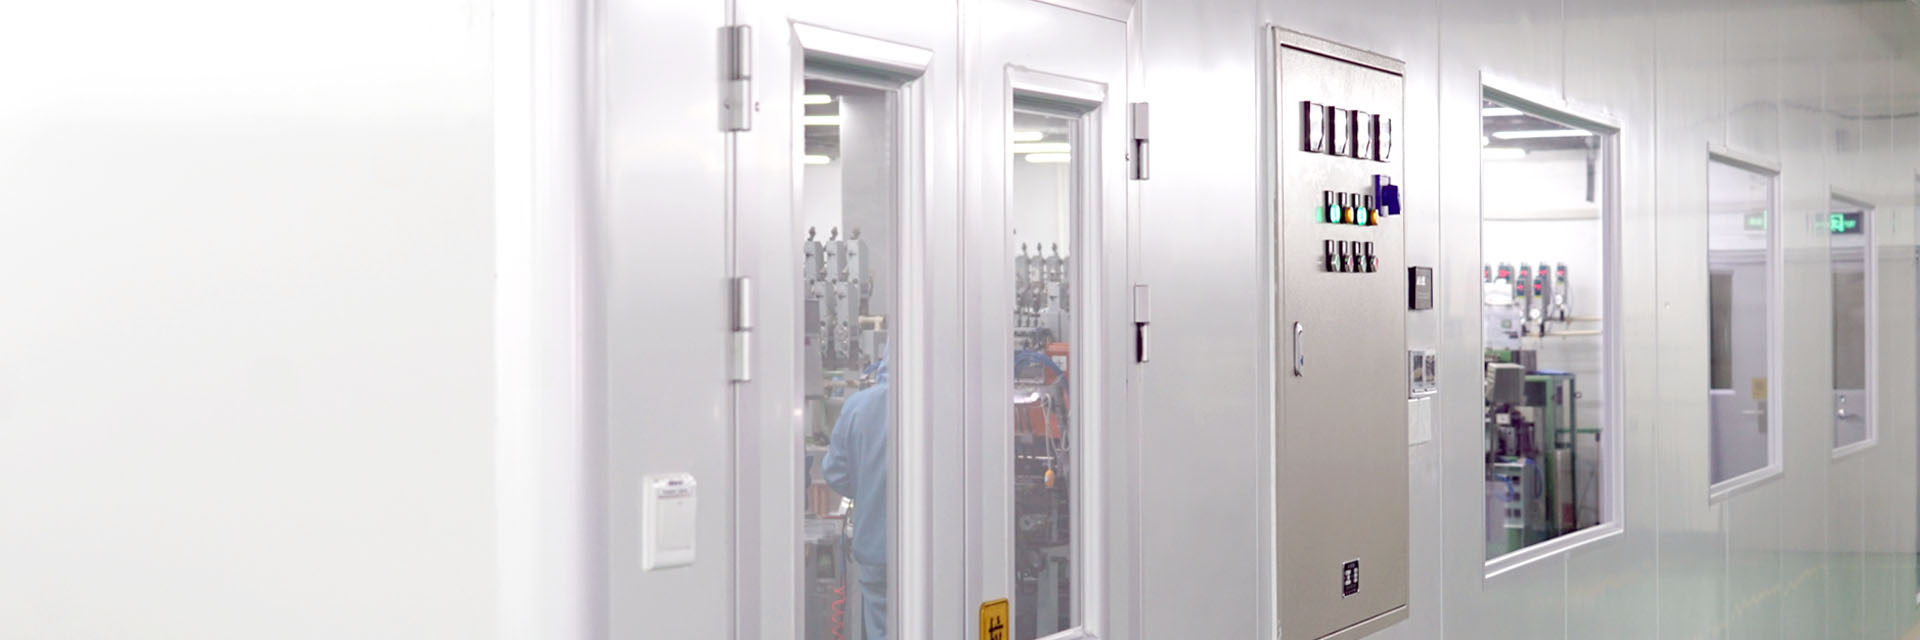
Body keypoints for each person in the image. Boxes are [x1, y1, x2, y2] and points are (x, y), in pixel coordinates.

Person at [822, 355, 889, 640]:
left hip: (876, 549)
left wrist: (869, 488)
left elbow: (835, 473)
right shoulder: (946, 405)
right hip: (937, 551)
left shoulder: (858, 406)